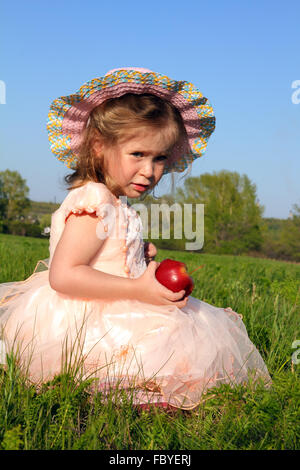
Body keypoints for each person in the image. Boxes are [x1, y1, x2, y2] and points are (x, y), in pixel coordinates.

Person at [0, 67, 271, 410]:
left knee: (176, 350)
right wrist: (138, 289)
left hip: (111, 303)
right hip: (85, 317)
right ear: (99, 146)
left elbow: (102, 255)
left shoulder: (114, 202)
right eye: (138, 155)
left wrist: (134, 253)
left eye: (160, 158)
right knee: (163, 355)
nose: (150, 170)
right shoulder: (95, 199)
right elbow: (64, 274)